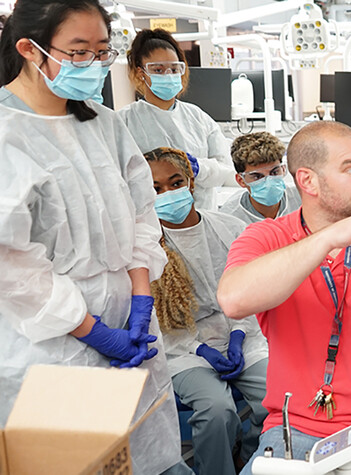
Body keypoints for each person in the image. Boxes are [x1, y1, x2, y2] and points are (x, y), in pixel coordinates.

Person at [0, 1, 190, 474]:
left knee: (150, 454)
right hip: (50, 339)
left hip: (131, 318)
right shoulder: (7, 134)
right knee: (77, 461)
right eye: (78, 52)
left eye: (102, 51)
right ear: (29, 49)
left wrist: (142, 299)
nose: (93, 64)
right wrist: (94, 331)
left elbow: (142, 215)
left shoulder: (103, 123)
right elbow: (13, 268)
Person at [216, 120, 351, 475]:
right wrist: (330, 237)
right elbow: (233, 299)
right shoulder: (266, 236)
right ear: (308, 181)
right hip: (298, 434)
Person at [145, 147, 269, 475]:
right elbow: (156, 321)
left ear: (191, 183)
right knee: (217, 410)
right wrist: (200, 349)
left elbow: (249, 289)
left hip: (243, 333)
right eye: (155, 188)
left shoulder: (230, 228)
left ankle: (253, 459)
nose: (168, 194)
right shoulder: (145, 247)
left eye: (175, 183)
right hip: (182, 350)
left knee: (279, 399)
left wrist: (239, 335)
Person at [119, 28, 236, 210]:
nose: (168, 75)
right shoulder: (124, 121)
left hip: (202, 217)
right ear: (141, 72)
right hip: (152, 224)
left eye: (174, 69)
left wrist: (199, 168)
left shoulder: (198, 118)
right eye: (158, 69)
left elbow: (225, 169)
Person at [219, 131, 301, 226]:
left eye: (274, 172)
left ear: (283, 169)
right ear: (241, 180)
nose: (268, 182)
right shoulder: (230, 218)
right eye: (257, 176)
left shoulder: (302, 199)